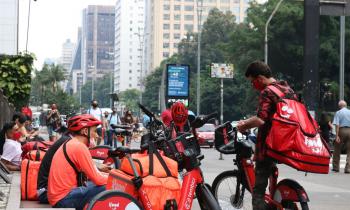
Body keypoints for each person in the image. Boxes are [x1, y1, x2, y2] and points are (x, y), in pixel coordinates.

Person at [236, 61, 298, 210]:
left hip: (269, 146)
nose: (253, 86)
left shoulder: (267, 92)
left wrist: (242, 126)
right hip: (286, 143)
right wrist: (248, 120)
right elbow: (271, 115)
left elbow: (260, 119)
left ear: (260, 78)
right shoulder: (286, 89)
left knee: (257, 193)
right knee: (271, 179)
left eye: (253, 82)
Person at [47, 114, 110, 210]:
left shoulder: (71, 143)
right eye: (94, 131)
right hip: (63, 199)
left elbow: (92, 174)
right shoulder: (79, 147)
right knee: (108, 187)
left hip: (58, 197)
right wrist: (116, 179)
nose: (96, 135)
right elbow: (98, 179)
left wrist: (108, 175)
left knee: (96, 185)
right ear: (85, 131)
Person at [332, 100, 350, 173]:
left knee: (337, 149)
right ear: (345, 105)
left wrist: (337, 136)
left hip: (341, 131)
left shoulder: (338, 112)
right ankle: (348, 168)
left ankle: (336, 167)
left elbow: (337, 125)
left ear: (339, 106)